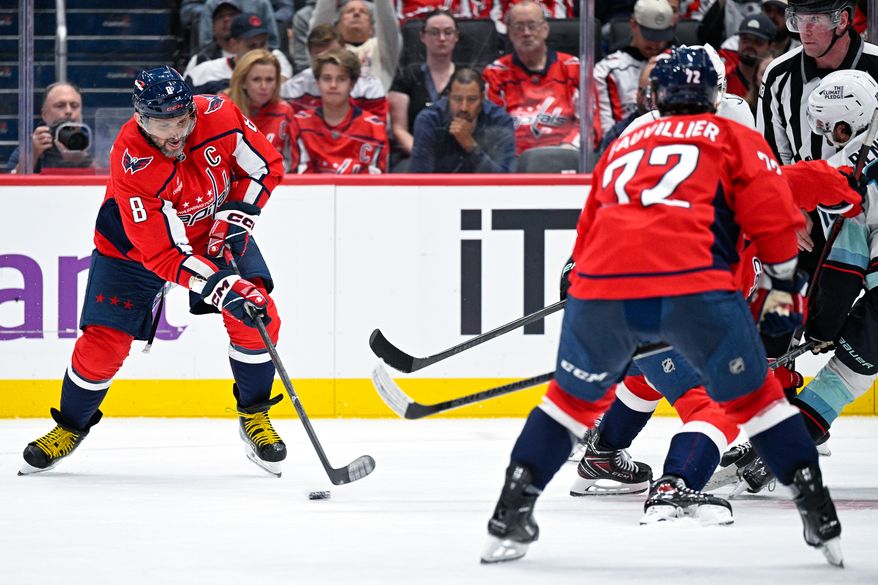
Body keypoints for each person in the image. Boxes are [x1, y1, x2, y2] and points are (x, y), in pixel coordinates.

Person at [480, 47, 843, 567]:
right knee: (745, 401)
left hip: (602, 288)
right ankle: (803, 510)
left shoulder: (625, 142)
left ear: (656, 96)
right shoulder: (734, 135)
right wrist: (784, 284)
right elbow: (777, 218)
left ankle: (512, 511)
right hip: (691, 287)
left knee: (568, 404)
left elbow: (589, 233)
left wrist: (582, 289)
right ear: (716, 95)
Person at [19, 66, 288, 478]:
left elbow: (265, 166)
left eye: (182, 119)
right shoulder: (131, 161)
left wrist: (235, 217)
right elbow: (162, 254)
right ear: (141, 118)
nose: (176, 132)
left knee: (258, 313)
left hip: (213, 229)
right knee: (103, 344)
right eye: (163, 123)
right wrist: (219, 287)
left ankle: (254, 416)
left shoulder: (220, 114)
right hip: (133, 247)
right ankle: (69, 428)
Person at [481, 1, 580, 155]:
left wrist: (568, 150)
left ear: (545, 29)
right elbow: (492, 129)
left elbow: (590, 123)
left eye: (532, 26)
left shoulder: (573, 68)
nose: (526, 33)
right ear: (509, 32)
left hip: (565, 158)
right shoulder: (495, 73)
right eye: (519, 27)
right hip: (514, 162)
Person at [289, 48, 389, 173]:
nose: (333, 85)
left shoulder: (373, 128)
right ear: (317, 82)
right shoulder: (300, 124)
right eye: (326, 78)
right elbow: (298, 180)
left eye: (341, 79)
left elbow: (377, 185)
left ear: (352, 83)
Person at [594, 0, 675, 140]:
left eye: (662, 36)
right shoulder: (607, 70)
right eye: (650, 35)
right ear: (633, 24)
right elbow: (607, 137)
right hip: (628, 144)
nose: (656, 44)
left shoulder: (680, 66)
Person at [410, 68, 515, 173]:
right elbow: (420, 178)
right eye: (457, 99)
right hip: (440, 188)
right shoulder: (429, 120)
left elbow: (505, 180)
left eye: (471, 99)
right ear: (449, 96)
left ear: (482, 98)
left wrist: (471, 145)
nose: (463, 108)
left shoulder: (500, 121)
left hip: (484, 189)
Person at [388, 9, 460, 160]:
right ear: (423, 37)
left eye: (448, 32)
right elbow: (398, 129)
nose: (441, 38)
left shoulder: (467, 78)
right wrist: (423, 155)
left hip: (456, 157)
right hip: (414, 155)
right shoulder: (406, 76)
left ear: (456, 37)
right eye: (434, 32)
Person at [281, 24, 387, 119]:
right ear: (310, 55)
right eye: (321, 58)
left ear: (345, 50)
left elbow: (376, 130)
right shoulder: (293, 88)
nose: (327, 63)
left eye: (333, 55)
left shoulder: (370, 86)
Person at [185, 13, 293, 95]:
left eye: (262, 44)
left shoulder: (276, 61)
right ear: (234, 44)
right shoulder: (205, 72)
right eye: (251, 46)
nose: (258, 51)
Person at [310, 0, 402, 91]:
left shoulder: (382, 50)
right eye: (349, 11)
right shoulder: (329, 50)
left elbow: (387, 20)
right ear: (337, 26)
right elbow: (319, 26)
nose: (357, 13)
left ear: (372, 29)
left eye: (363, 12)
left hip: (373, 104)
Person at [226, 49, 294, 167]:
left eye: (269, 80)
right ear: (243, 82)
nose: (264, 86)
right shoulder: (224, 109)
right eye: (256, 79)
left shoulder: (285, 111)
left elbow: (291, 162)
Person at [8, 82, 93, 174]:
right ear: (44, 115)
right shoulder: (31, 148)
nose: (68, 111)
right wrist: (33, 155)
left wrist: (83, 159)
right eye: (60, 106)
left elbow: (107, 176)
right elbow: (14, 185)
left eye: (74, 106)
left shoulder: (92, 145)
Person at [182, 0, 289, 50]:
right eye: (222, 16)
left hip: (259, 57)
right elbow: (205, 44)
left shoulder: (261, 3)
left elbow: (273, 43)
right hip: (219, 58)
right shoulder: (211, 4)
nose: (227, 19)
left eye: (231, 15)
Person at [182, 1, 243, 76]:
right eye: (220, 16)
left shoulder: (256, 55)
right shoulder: (201, 60)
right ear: (213, 27)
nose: (226, 19)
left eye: (232, 14)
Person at [723, 14, 775, 99]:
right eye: (745, 39)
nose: (750, 45)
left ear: (770, 46)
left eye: (758, 42)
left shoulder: (775, 83)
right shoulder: (724, 79)